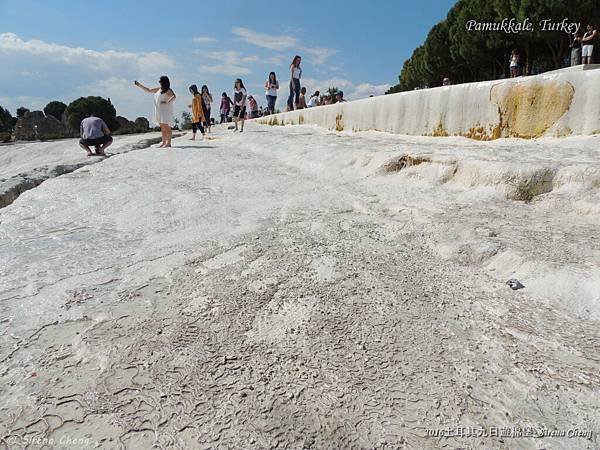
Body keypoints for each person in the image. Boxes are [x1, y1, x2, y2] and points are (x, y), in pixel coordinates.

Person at [134, 76, 176, 148]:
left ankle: (168, 143)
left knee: (167, 127)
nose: (159, 82)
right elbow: (148, 90)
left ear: (163, 82)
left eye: (160, 81)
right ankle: (163, 142)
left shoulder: (168, 90)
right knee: (162, 128)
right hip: (159, 111)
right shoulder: (159, 89)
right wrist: (139, 85)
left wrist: (166, 101)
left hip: (165, 111)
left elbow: (174, 96)